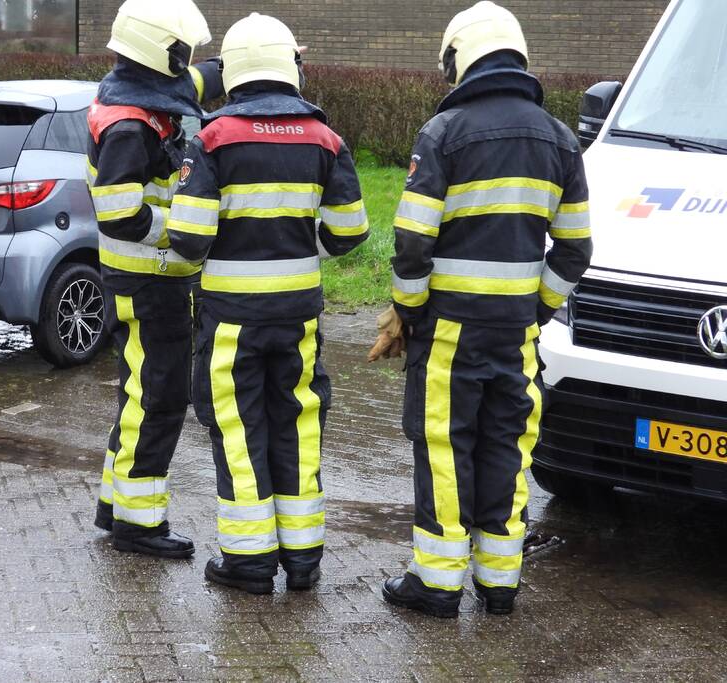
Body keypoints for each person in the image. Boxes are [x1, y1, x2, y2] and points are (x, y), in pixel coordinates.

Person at [370, 1, 592, 617]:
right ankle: (500, 583)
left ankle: (437, 584)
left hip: (448, 331)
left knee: (444, 446)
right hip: (516, 334)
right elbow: (576, 247)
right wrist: (537, 309)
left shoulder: (444, 134)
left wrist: (409, 312)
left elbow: (414, 240)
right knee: (506, 445)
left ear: (460, 60)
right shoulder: (561, 140)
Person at [167, 13, 369, 594]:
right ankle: (303, 562)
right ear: (292, 68)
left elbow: (188, 239)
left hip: (232, 319)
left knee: (238, 428)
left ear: (232, 71)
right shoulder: (325, 138)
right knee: (299, 426)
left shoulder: (213, 138)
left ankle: (249, 563)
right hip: (299, 318)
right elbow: (349, 233)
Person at [89, 0, 224, 558]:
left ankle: (114, 506)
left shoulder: (132, 91)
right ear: (159, 53)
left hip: (142, 281)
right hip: (150, 282)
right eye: (181, 54)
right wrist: (184, 230)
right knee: (160, 399)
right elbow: (119, 213)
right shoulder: (128, 126)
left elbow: (193, 80)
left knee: (137, 394)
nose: (186, 63)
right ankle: (138, 526)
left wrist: (261, 62)